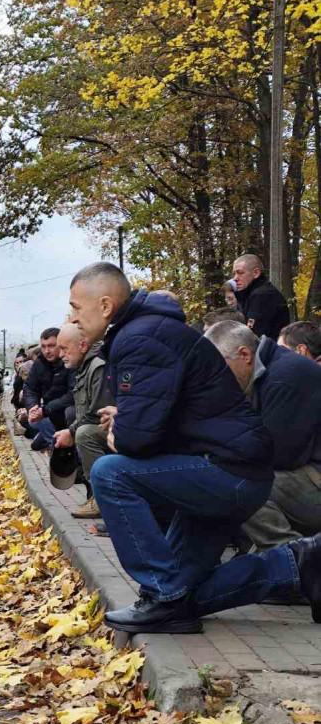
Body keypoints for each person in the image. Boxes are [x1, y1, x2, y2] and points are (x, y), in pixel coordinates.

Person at [69, 262, 317, 633]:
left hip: (227, 474)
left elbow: (136, 440)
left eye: (75, 307)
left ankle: (161, 594)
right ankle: (299, 566)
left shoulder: (140, 337)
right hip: (226, 472)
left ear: (105, 305)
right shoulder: (150, 330)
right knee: (185, 596)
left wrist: (120, 430)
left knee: (110, 472)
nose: (72, 317)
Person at [205, 321, 321, 553]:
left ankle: (292, 557)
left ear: (245, 355)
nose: (217, 377)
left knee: (235, 481)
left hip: (314, 480)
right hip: (307, 475)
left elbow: (277, 455)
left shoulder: (284, 376)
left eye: (220, 367)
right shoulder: (267, 372)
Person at [51, 323, 114, 519]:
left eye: (64, 348)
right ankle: (92, 491)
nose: (60, 354)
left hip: (117, 429)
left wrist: (71, 432)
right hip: (109, 428)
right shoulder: (84, 366)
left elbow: (98, 412)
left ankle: (102, 499)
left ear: (83, 346)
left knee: (84, 434)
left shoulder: (97, 367)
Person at [21, 327, 73, 451]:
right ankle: (54, 442)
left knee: (69, 412)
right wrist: (32, 406)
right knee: (34, 424)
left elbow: (73, 395)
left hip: (63, 410)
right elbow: (30, 388)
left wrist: (45, 410)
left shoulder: (69, 361)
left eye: (51, 346)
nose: (46, 351)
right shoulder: (39, 363)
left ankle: (62, 448)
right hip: (49, 412)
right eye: (43, 347)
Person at [231, 253, 291, 340]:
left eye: (240, 273)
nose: (235, 278)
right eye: (234, 273)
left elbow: (253, 334)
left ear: (256, 273)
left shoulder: (262, 295)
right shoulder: (251, 293)